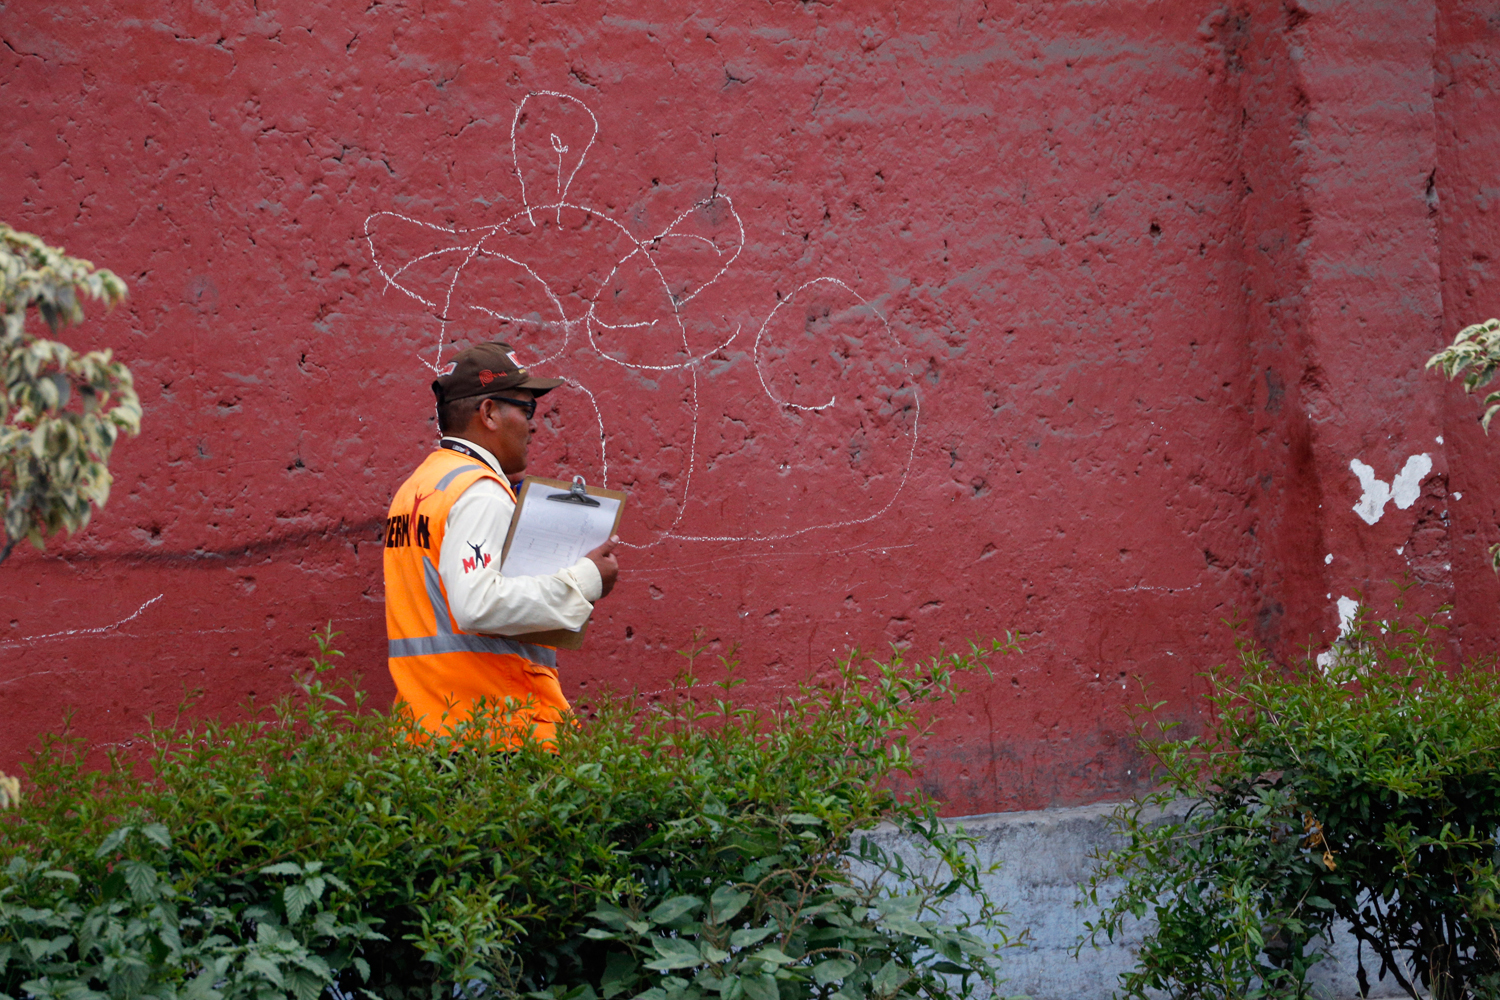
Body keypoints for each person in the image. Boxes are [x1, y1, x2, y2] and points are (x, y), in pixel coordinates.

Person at [383, 340, 619, 746]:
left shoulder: (421, 487)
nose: (533, 424)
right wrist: (586, 580)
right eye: (526, 409)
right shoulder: (480, 492)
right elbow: (479, 604)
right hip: (494, 733)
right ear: (489, 413)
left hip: (430, 730)